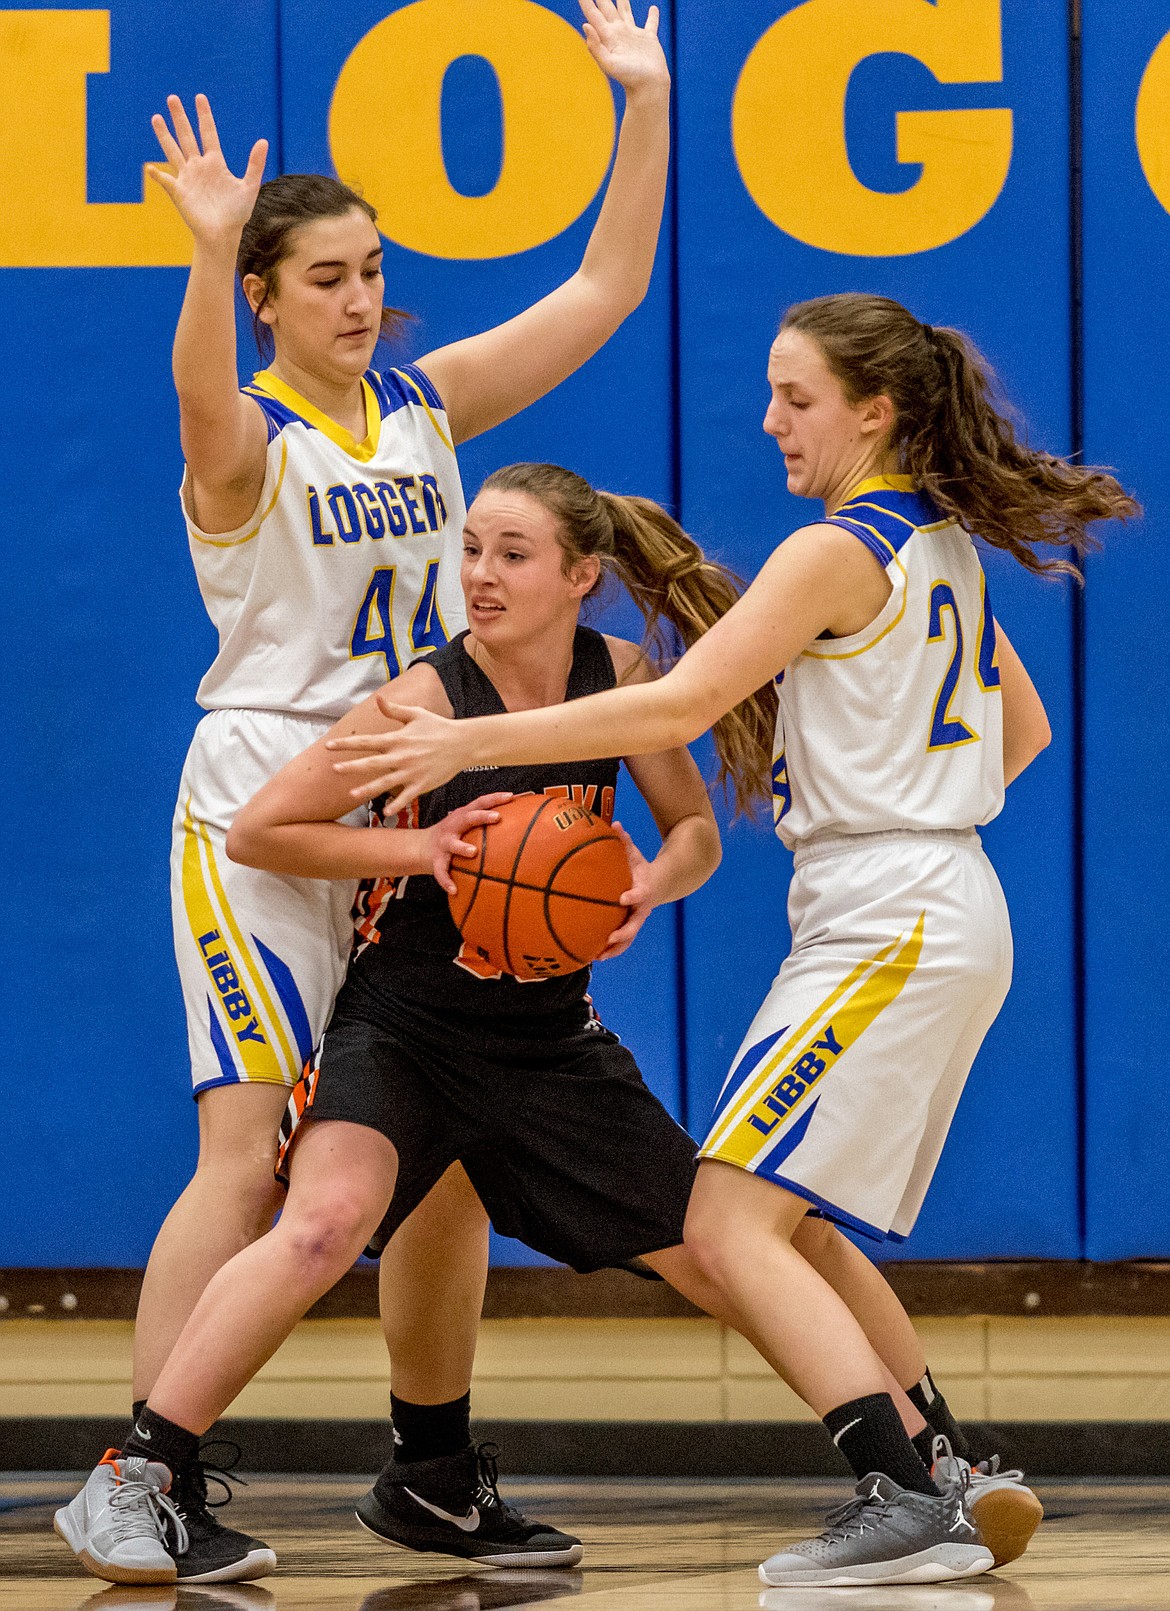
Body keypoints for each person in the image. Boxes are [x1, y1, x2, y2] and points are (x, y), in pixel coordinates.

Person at [322, 295, 1139, 1587]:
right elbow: (1019, 735)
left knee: (728, 1216)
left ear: (873, 410)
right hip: (932, 895)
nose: (768, 420)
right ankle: (948, 1470)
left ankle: (896, 1491)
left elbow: (686, 695)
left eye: (794, 398)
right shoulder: (941, 547)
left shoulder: (834, 549)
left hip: (886, 911)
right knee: (794, 1222)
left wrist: (463, 739)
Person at [75, 0, 673, 1585]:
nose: (362, 297)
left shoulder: (419, 408)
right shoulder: (248, 443)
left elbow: (608, 287)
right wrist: (208, 253)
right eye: (326, 276)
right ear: (269, 296)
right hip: (267, 801)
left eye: (371, 271)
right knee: (252, 1149)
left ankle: (431, 1468)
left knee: (447, 1143)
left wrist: (646, 104)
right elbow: (199, 394)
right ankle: (149, 1470)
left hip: (416, 792)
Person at [57, 463, 764, 1581]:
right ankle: (133, 1479)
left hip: (542, 1038)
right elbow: (260, 831)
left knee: (722, 1247)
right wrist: (419, 847)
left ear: (582, 576)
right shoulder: (423, 700)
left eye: (511, 555)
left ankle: (911, 1471)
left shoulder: (617, 677)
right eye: (470, 548)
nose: (478, 574)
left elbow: (694, 833)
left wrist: (647, 887)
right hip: (406, 1018)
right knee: (324, 1219)